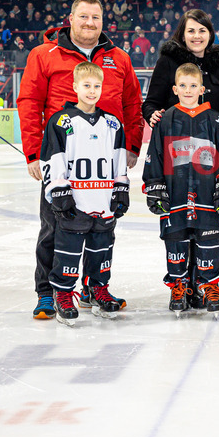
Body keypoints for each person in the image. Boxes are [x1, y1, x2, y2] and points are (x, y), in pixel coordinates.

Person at [17, 0, 143, 320]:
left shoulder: (119, 58)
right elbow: (30, 102)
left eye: (95, 18)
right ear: (70, 18)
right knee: (54, 225)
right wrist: (33, 152)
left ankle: (93, 287)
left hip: (104, 160)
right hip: (62, 158)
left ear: (103, 22)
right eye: (83, 17)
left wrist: (132, 146)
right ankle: (49, 292)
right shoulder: (44, 55)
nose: (89, 23)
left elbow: (132, 104)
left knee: (101, 226)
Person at [39, 62, 130, 325]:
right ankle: (64, 293)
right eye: (87, 86)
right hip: (76, 200)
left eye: (97, 86)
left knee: (102, 248)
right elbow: (53, 159)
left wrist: (121, 191)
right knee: (67, 250)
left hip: (102, 198)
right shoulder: (61, 121)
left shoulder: (112, 124)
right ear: (75, 86)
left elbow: (118, 160)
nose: (92, 91)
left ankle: (97, 288)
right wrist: (59, 193)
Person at [144, 63, 219, 315]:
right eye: (182, 86)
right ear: (174, 89)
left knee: (209, 240)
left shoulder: (216, 119)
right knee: (176, 239)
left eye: (193, 85)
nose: (188, 90)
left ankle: (209, 285)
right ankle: (180, 285)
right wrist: (155, 186)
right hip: (175, 192)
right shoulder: (166, 119)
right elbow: (156, 155)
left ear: (202, 89)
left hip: (207, 193)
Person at [143, 9, 219, 125]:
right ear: (183, 36)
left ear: (210, 35)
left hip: (214, 137)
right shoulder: (167, 62)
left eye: (202, 31)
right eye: (191, 31)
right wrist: (152, 114)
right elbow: (150, 104)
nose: (197, 36)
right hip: (177, 136)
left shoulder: (217, 63)